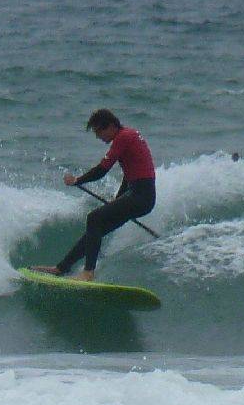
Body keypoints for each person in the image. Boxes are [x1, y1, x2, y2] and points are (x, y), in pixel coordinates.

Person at [31, 109, 157, 282]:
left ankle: (88, 272)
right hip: (140, 196)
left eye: (99, 131)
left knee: (93, 218)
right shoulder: (130, 135)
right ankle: (61, 268)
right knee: (96, 230)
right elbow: (130, 175)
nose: (98, 137)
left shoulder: (123, 137)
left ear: (111, 126)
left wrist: (77, 180)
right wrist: (119, 199)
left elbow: (102, 170)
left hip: (141, 196)